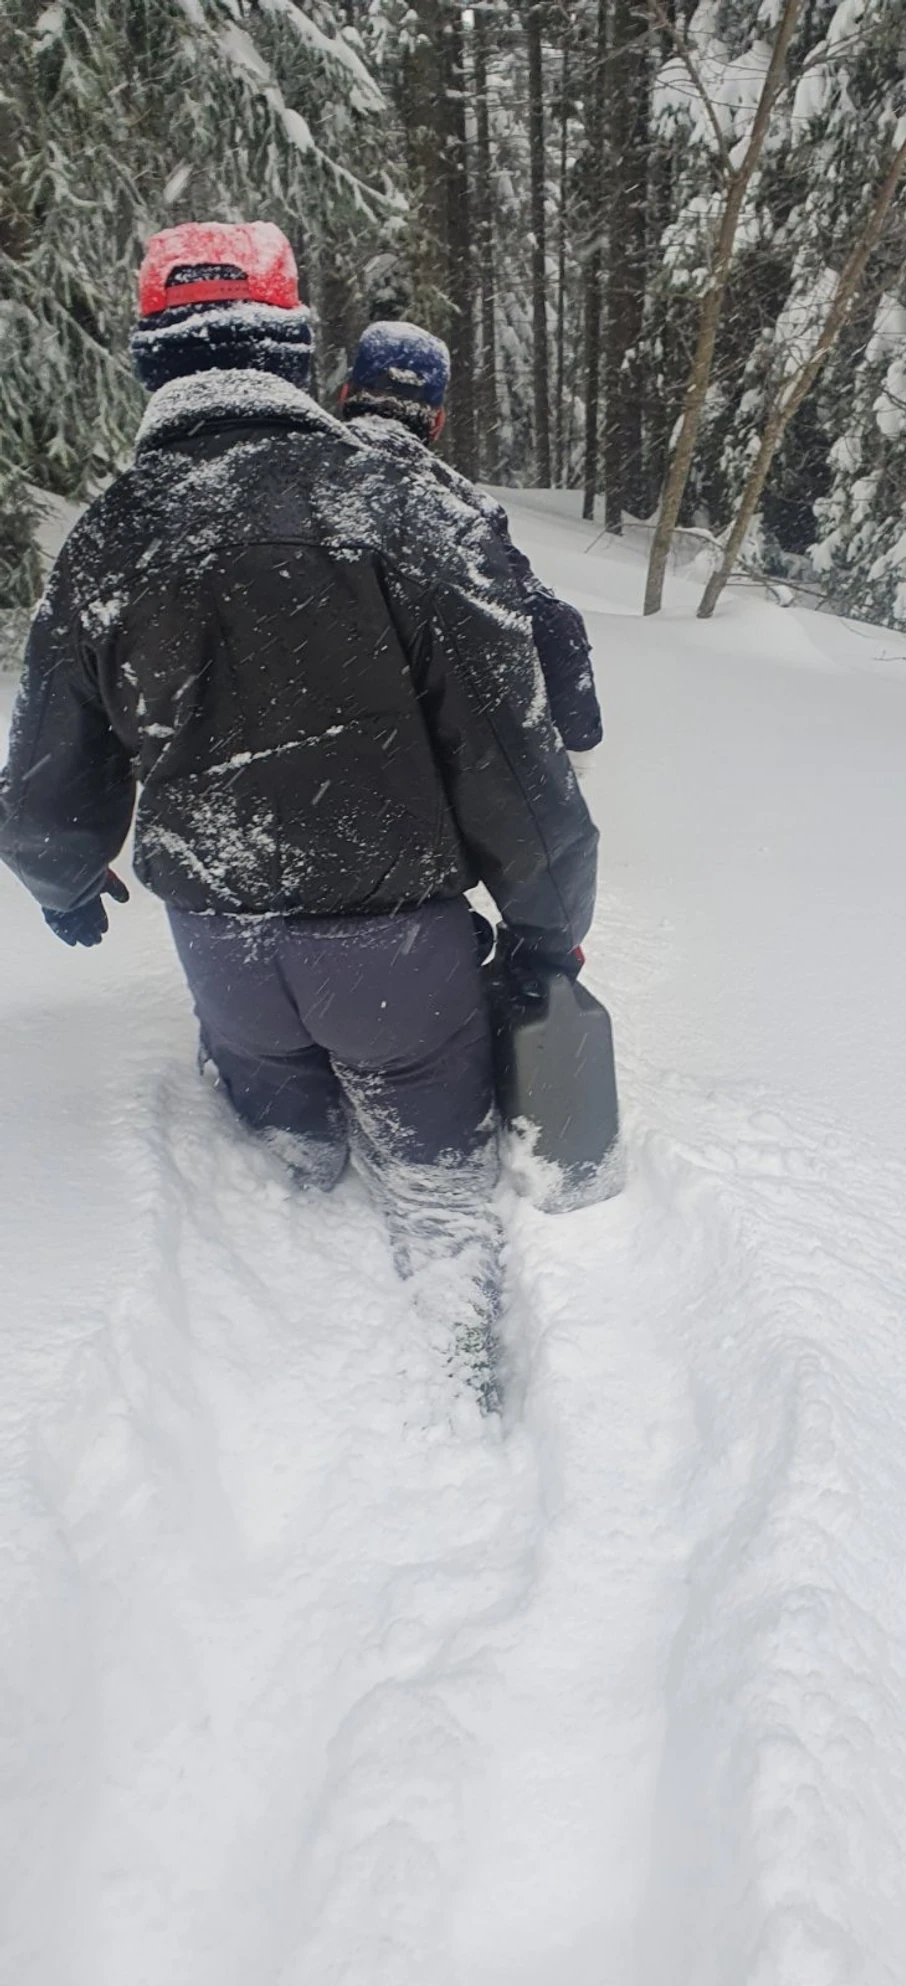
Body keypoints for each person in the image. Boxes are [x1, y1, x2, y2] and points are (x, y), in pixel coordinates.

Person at [0, 222, 597, 1401]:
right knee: (434, 1175)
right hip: (391, 948)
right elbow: (509, 751)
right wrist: (542, 923)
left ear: (151, 361)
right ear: (292, 346)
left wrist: (64, 881)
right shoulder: (389, 503)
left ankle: (278, 1363)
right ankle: (464, 1374)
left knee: (287, 1151)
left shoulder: (107, 538)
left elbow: (45, 772)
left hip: (220, 947)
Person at [338, 320, 603, 765]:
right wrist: (579, 741)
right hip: (413, 768)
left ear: (345, 394)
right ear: (437, 421)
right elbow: (553, 628)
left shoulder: (285, 475)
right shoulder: (465, 510)